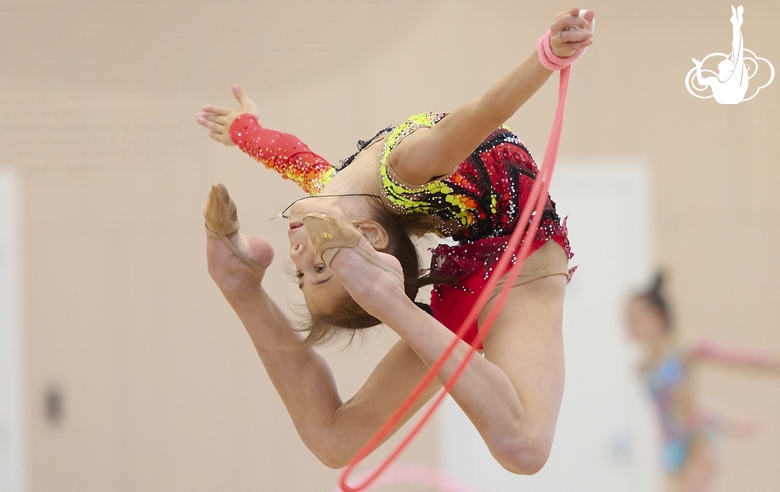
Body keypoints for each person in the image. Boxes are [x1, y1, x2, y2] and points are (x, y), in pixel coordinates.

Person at [197, 7, 594, 474]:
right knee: (522, 451)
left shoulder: (331, 185)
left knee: (336, 440)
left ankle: (244, 282)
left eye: (303, 275)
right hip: (521, 268)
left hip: (472, 272)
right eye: (322, 268)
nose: (299, 258)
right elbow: (486, 112)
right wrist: (547, 55)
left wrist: (245, 131)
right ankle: (323, 289)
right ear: (367, 236)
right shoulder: (410, 167)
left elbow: (289, 156)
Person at [625, 272, 780, 492]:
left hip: (696, 440)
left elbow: (738, 359)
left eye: (634, 318)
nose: (628, 325)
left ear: (657, 317)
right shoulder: (643, 366)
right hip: (673, 449)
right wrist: (732, 421)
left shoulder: (684, 349)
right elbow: (671, 409)